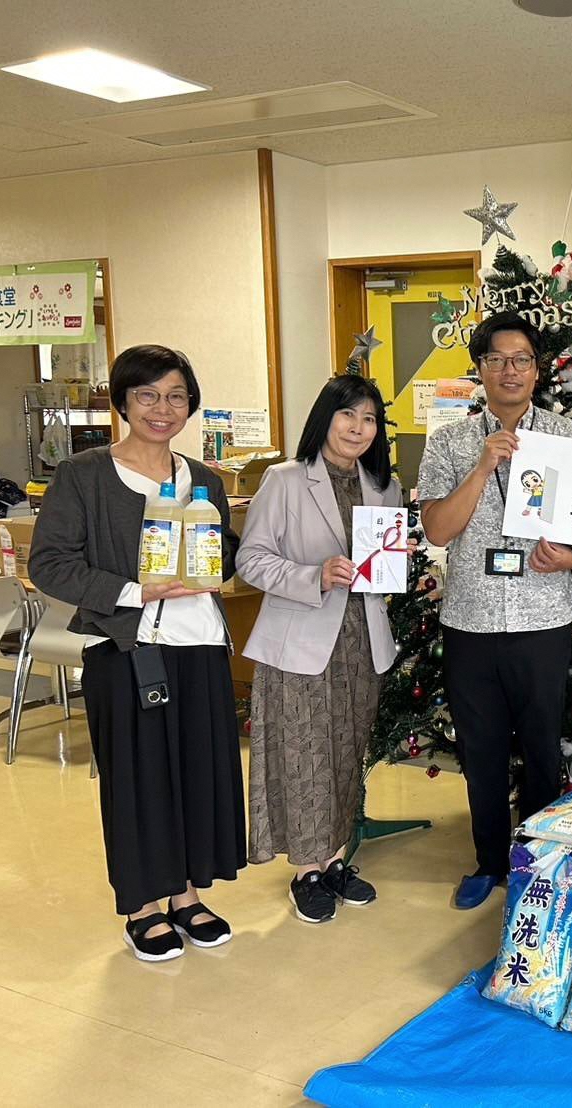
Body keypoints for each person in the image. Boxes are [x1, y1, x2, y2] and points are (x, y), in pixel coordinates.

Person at [30, 345, 245, 962]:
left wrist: (218, 560)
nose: (162, 408)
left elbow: (223, 549)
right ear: (123, 401)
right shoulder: (84, 475)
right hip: (128, 648)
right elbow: (50, 563)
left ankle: (186, 894)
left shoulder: (204, 478)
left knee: (197, 773)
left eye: (176, 396)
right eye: (147, 395)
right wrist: (134, 590)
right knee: (138, 778)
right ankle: (143, 907)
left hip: (199, 645)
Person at [418, 311, 572, 910]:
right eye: (496, 360)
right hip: (471, 619)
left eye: (521, 360)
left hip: (543, 616)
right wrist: (483, 465)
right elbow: (438, 529)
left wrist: (571, 556)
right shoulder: (450, 442)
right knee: (481, 750)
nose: (509, 370)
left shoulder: (570, 438)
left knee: (543, 747)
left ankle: (536, 862)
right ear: (480, 369)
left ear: (538, 370)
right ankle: (489, 861)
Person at [236, 374, 400, 924]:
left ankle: (333, 861)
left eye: (369, 418)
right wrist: (314, 575)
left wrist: (391, 568)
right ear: (325, 418)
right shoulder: (285, 479)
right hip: (300, 642)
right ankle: (306, 871)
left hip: (363, 643)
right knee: (304, 755)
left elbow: (385, 563)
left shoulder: (383, 486)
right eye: (348, 414)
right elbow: (250, 560)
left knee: (346, 753)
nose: (358, 427)